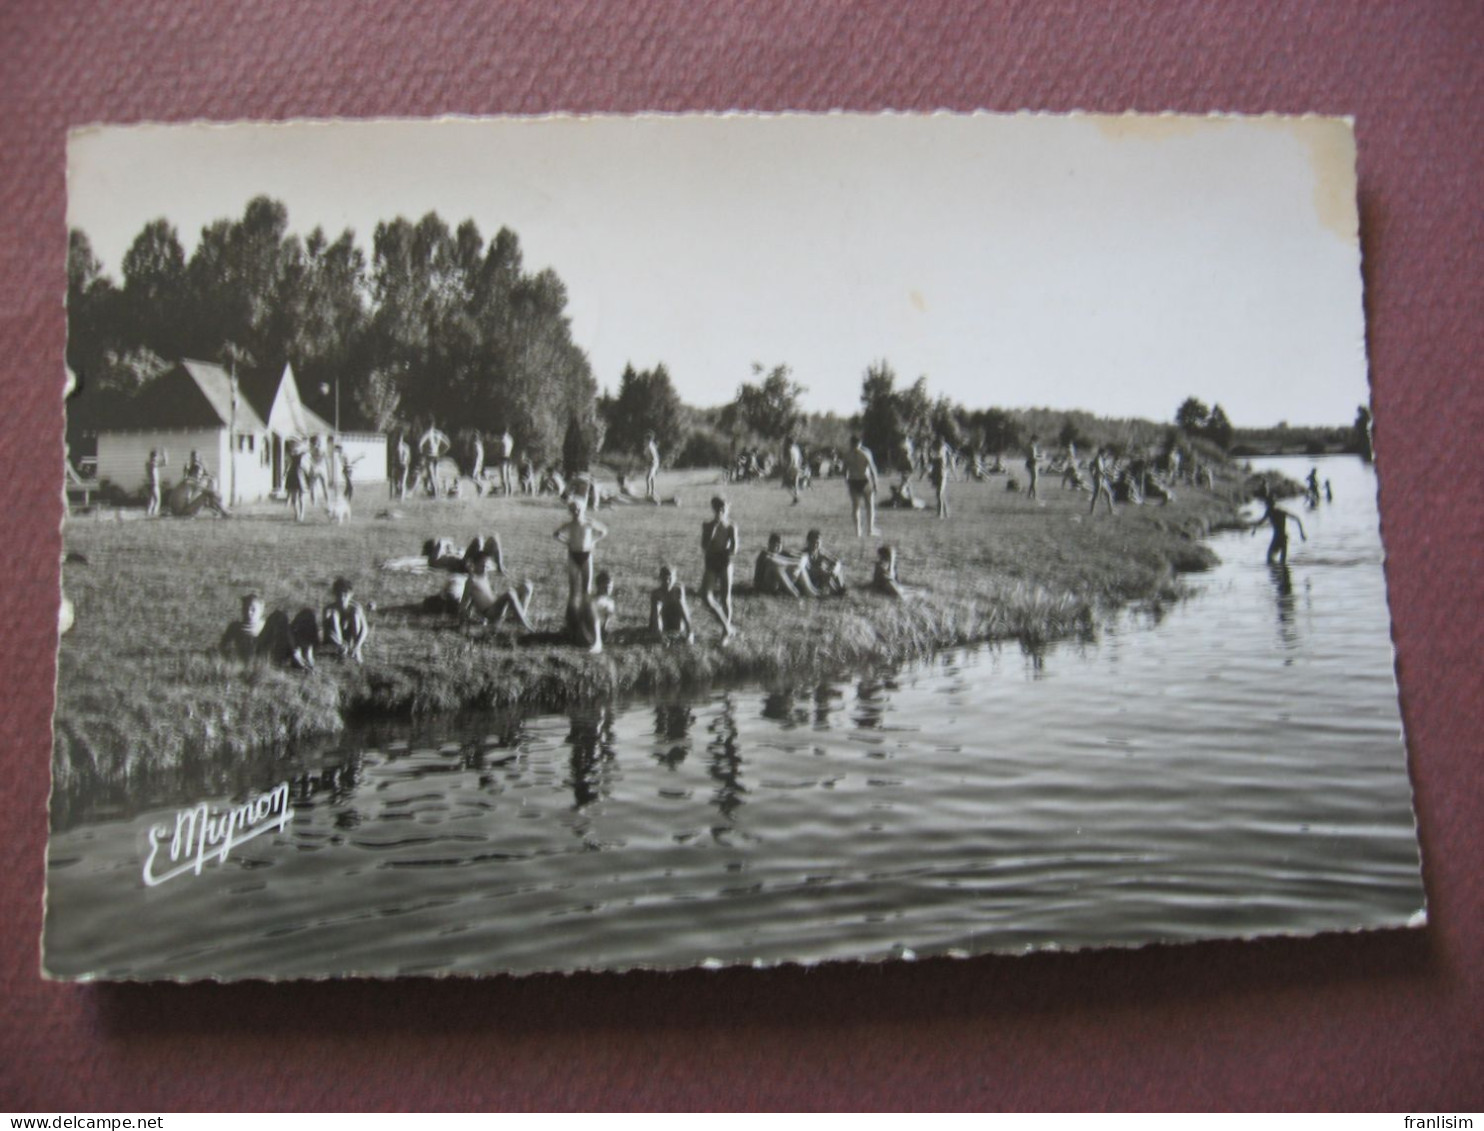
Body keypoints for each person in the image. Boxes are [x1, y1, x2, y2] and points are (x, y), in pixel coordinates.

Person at [220, 594, 315, 669]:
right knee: (279, 616)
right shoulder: (235, 626)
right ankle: (296, 655)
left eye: (253, 609)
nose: (248, 612)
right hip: (263, 656)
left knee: (306, 614)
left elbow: (285, 634)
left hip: (280, 649)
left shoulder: (266, 624)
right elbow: (223, 646)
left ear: (261, 611)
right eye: (245, 608)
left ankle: (306, 652)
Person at [553, 499, 609, 618]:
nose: (576, 511)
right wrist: (567, 542)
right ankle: (570, 617)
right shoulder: (568, 525)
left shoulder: (588, 522)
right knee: (573, 590)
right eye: (573, 509)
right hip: (573, 555)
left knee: (586, 589)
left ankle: (585, 616)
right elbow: (556, 534)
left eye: (578, 508)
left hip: (586, 555)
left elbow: (603, 531)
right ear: (570, 511)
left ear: (583, 509)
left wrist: (593, 541)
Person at [459, 554, 537, 634]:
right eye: (482, 566)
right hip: (490, 612)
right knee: (510, 592)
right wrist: (463, 621)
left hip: (498, 607)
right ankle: (525, 625)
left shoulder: (484, 577)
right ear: (475, 565)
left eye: (486, 566)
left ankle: (519, 618)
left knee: (527, 586)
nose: (484, 569)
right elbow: (464, 602)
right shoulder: (471, 580)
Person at [699, 495, 739, 638]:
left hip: (724, 561)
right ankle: (727, 627)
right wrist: (713, 530)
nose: (721, 511)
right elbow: (704, 546)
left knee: (725, 598)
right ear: (714, 509)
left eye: (724, 508)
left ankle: (725, 633)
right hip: (711, 561)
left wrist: (728, 547)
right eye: (718, 508)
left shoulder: (731, 526)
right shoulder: (707, 525)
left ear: (728, 508)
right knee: (705, 596)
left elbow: (734, 549)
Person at [1250, 486, 1307, 565]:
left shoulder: (1279, 510)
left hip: (1282, 537)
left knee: (1276, 560)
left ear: (1272, 502)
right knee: (1274, 559)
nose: (1267, 504)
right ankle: (1278, 573)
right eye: (1267, 503)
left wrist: (1302, 533)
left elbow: (1297, 518)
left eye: (1268, 502)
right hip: (1279, 537)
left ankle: (1279, 573)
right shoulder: (1270, 511)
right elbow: (1261, 521)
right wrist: (1254, 529)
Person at [752, 533, 819, 598]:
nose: (776, 547)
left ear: (782, 545)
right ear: (769, 544)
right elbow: (776, 561)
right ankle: (794, 593)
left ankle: (812, 592)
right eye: (774, 544)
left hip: (778, 584)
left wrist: (800, 564)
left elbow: (804, 556)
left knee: (800, 568)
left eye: (779, 544)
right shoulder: (764, 554)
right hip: (763, 586)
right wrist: (796, 563)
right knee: (776, 567)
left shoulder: (782, 552)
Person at [322, 577, 371, 663]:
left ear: (351, 594)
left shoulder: (355, 607)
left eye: (345, 595)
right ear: (335, 594)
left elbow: (364, 629)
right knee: (334, 615)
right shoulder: (329, 609)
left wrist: (357, 645)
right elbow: (327, 631)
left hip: (351, 638)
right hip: (336, 639)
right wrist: (340, 644)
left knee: (355, 614)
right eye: (339, 595)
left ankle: (356, 652)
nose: (342, 598)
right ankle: (342, 653)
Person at [844, 434, 880, 537]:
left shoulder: (847, 454)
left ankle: (858, 531)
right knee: (869, 505)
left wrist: (847, 481)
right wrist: (875, 483)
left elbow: (844, 470)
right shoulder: (865, 453)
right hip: (864, 480)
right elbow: (872, 469)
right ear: (860, 443)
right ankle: (870, 529)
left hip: (853, 480)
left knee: (856, 507)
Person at [573, 570, 616, 654]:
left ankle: (597, 642)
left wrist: (605, 627)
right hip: (588, 626)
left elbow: (608, 619)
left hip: (600, 628)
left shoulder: (610, 602)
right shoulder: (592, 599)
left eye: (610, 587)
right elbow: (582, 616)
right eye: (606, 586)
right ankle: (593, 642)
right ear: (598, 586)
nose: (608, 589)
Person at [649, 564, 695, 642]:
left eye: (670, 578)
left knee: (680, 605)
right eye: (664, 579)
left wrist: (690, 632)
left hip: (675, 620)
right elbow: (655, 614)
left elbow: (684, 609)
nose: (667, 582)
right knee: (657, 608)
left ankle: (689, 632)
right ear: (660, 578)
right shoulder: (656, 593)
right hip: (663, 620)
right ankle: (659, 632)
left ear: (675, 578)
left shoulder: (678, 590)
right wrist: (658, 632)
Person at [802, 529, 845, 595]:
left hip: (820, 577)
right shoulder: (805, 554)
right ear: (808, 542)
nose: (815, 546)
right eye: (813, 543)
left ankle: (840, 587)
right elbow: (807, 571)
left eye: (817, 543)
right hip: (809, 581)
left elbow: (836, 561)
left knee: (835, 568)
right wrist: (821, 571)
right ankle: (836, 591)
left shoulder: (820, 552)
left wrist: (834, 570)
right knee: (824, 571)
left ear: (821, 543)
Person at [418, 424, 451, 497]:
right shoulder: (438, 433)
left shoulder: (427, 433)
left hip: (429, 455)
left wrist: (422, 452)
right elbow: (447, 444)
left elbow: (420, 444)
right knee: (436, 474)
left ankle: (435, 492)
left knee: (431, 475)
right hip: (436, 455)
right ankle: (437, 491)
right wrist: (441, 452)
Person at [285, 439, 308, 522]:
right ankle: (297, 514)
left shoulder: (302, 454)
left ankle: (302, 514)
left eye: (294, 445)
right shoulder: (290, 455)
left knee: (301, 496)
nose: (293, 448)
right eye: (291, 446)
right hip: (292, 475)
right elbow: (288, 465)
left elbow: (306, 449)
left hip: (300, 475)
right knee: (294, 498)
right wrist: (285, 472)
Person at [1089, 446, 1115, 516]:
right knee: (1096, 495)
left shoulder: (1101, 459)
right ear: (1102, 452)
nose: (1106, 454)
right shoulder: (1098, 459)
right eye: (1105, 453)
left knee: (1109, 494)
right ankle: (1092, 512)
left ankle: (1111, 511)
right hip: (1099, 479)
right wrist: (1109, 475)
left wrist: (1108, 473)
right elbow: (1100, 470)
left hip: (1102, 479)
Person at [306, 436, 330, 505]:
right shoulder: (321, 450)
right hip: (319, 468)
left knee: (313, 486)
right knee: (322, 486)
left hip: (315, 468)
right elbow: (326, 460)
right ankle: (325, 500)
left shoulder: (312, 450)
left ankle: (314, 501)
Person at [145, 448, 167, 516]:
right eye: (156, 456)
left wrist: (164, 456)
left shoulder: (148, 464)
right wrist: (164, 455)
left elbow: (164, 463)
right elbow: (164, 463)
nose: (157, 458)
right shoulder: (152, 464)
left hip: (150, 484)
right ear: (154, 456)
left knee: (151, 501)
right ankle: (154, 513)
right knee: (157, 500)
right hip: (154, 484)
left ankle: (149, 513)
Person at [929, 444, 949, 519]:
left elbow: (937, 460)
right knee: (940, 494)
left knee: (939, 494)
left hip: (941, 476)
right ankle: (946, 512)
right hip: (938, 475)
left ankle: (940, 513)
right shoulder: (937, 457)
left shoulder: (940, 458)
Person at [783, 435, 804, 505]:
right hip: (797, 467)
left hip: (792, 468)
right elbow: (801, 458)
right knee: (796, 484)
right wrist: (800, 465)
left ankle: (795, 497)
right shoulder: (796, 449)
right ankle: (796, 497)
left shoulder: (789, 450)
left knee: (786, 485)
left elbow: (790, 460)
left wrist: (787, 469)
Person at [643, 431, 661, 502]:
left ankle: (649, 493)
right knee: (652, 477)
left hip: (653, 463)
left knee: (648, 478)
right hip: (653, 463)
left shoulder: (650, 446)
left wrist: (650, 464)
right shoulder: (649, 445)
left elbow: (653, 457)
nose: (644, 440)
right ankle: (652, 492)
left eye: (645, 439)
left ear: (648, 439)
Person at [498, 427, 515, 496]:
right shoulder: (510, 439)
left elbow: (500, 449)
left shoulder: (502, 440)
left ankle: (505, 491)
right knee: (509, 475)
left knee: (503, 476)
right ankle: (510, 490)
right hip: (509, 457)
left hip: (503, 458)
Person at [1025, 435, 1041, 501]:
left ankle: (1029, 495)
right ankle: (1035, 495)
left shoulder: (1029, 446)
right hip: (1033, 464)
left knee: (1033, 480)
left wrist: (1039, 455)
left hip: (1030, 463)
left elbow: (1032, 455)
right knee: (1034, 480)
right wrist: (1041, 458)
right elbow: (1033, 457)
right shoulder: (1032, 447)